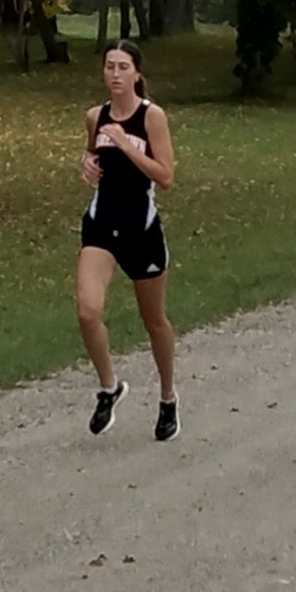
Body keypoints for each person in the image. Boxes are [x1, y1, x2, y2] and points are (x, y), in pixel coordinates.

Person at [76, 40, 179, 441]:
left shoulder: (152, 117)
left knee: (153, 322)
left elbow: (166, 176)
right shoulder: (94, 117)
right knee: (87, 311)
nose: (115, 75)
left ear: (137, 73)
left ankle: (168, 397)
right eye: (109, 67)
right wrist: (88, 163)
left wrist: (124, 143)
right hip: (102, 224)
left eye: (123, 67)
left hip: (142, 227)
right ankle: (108, 387)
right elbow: (92, 157)